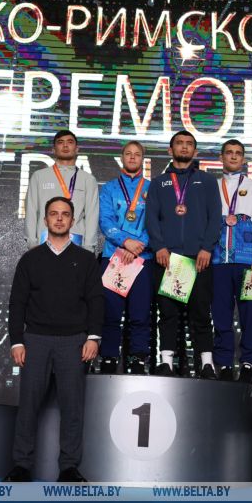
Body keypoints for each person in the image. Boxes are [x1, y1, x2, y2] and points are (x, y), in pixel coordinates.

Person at [3, 197, 104, 482]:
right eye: (54, 214)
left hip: (74, 341)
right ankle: (22, 466)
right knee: (28, 405)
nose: (59, 218)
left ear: (73, 220)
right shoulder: (30, 259)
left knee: (72, 408)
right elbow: (17, 303)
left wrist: (93, 337)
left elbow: (96, 301)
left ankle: (69, 468)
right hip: (35, 340)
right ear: (45, 219)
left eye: (65, 214)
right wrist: (17, 341)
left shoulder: (86, 260)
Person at [145, 130, 222, 379]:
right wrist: (159, 247)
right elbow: (151, 219)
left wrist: (207, 248)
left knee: (201, 313)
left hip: (199, 258)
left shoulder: (207, 181)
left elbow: (215, 218)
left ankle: (206, 364)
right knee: (168, 314)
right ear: (171, 150)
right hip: (169, 259)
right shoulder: (159, 183)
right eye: (179, 143)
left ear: (195, 151)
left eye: (189, 144)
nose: (184, 147)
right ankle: (166, 363)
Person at [211, 139, 252, 383]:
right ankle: (224, 363)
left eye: (238, 153)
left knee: (251, 314)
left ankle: (248, 362)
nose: (234, 156)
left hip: (249, 262)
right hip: (218, 261)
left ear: (244, 159)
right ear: (221, 157)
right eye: (229, 153)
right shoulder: (212, 187)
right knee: (221, 314)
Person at [98, 141, 153, 375]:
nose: (132, 157)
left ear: (142, 159)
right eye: (128, 154)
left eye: (137, 154)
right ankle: (109, 357)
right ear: (122, 157)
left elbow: (156, 222)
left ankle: (138, 358)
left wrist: (137, 245)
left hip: (143, 258)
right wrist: (126, 242)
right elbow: (105, 220)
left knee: (140, 313)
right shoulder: (109, 188)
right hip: (114, 256)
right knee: (111, 313)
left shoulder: (153, 188)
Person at [24, 130, 99, 252]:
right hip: (43, 243)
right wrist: (32, 243)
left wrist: (88, 248)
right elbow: (31, 211)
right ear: (53, 150)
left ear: (77, 149)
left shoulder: (88, 179)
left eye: (70, 142)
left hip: (77, 244)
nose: (65, 145)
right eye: (60, 142)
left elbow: (92, 216)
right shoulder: (39, 176)